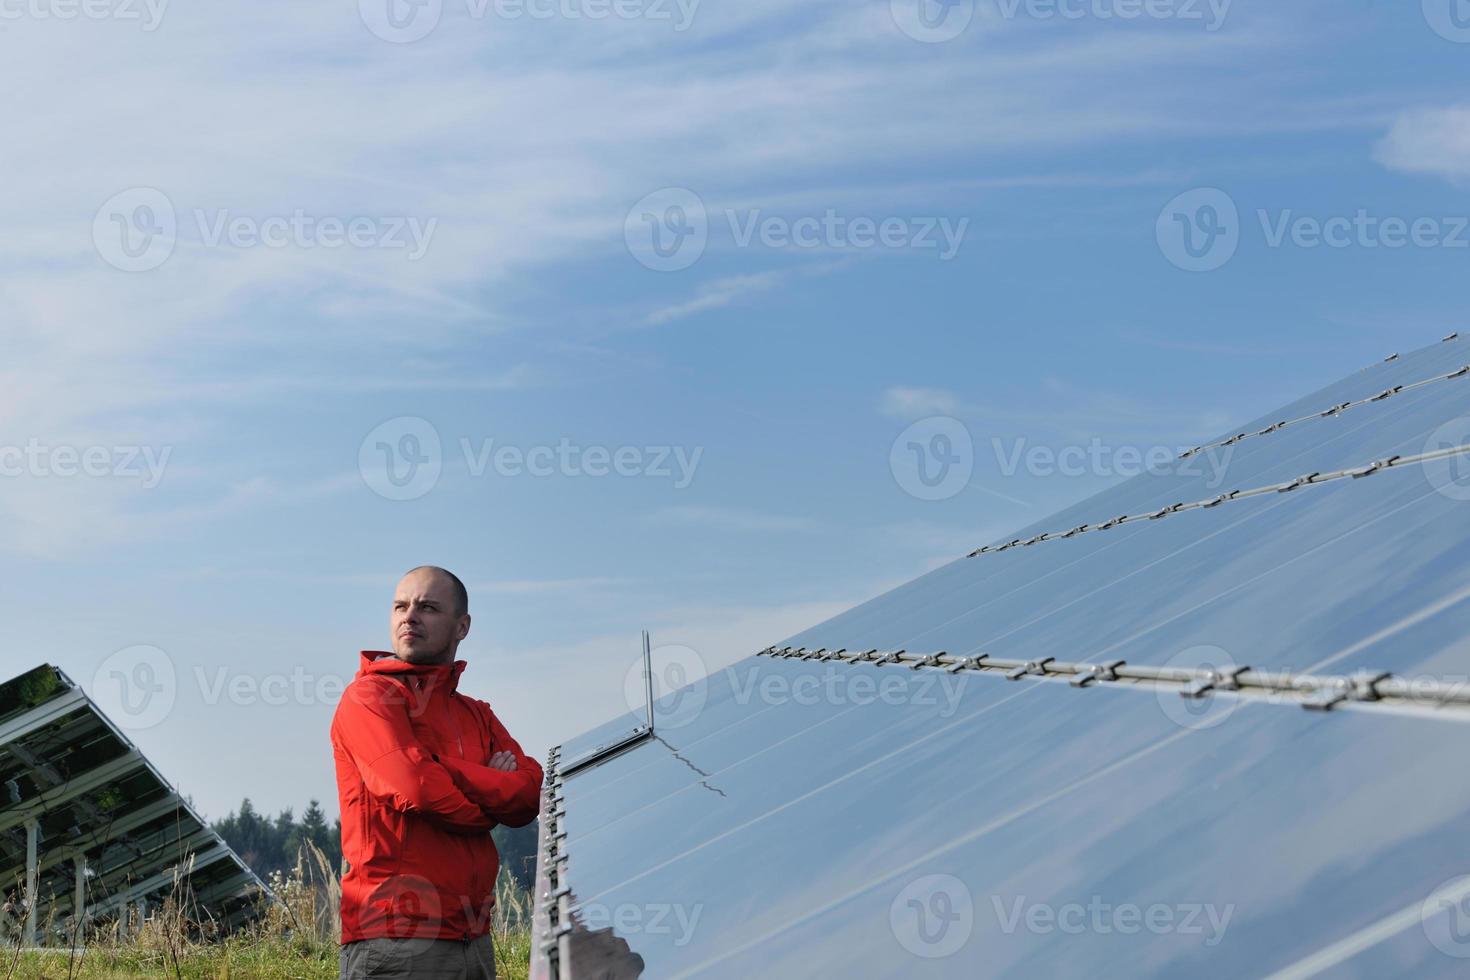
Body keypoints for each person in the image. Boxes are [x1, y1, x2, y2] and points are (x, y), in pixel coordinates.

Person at [332, 566, 542, 980]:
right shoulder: (369, 699)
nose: (409, 616)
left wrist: (440, 766)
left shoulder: (476, 713)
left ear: (461, 626)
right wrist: (488, 798)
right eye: (400, 606)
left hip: (473, 939)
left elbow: (528, 793)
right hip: (395, 941)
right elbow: (416, 788)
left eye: (427, 607)